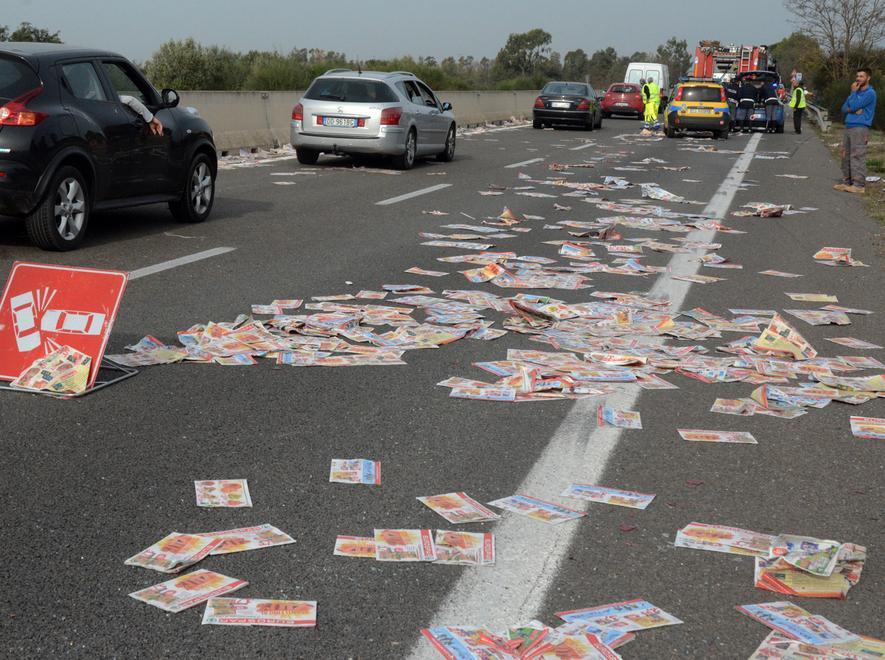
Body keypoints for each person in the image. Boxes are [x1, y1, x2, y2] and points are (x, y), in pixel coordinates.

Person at [835, 68, 877, 194]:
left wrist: (853, 100)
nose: (858, 78)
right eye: (857, 76)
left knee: (857, 155)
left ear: (868, 78)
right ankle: (847, 182)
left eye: (861, 76)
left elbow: (852, 106)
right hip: (849, 126)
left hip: (860, 127)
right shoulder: (855, 92)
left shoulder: (870, 93)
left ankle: (858, 185)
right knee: (845, 155)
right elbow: (843, 108)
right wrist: (853, 109)